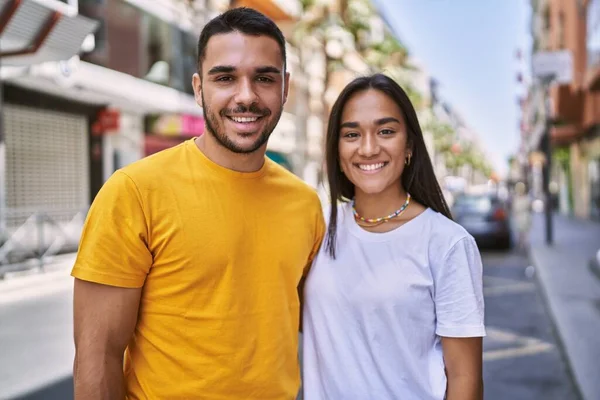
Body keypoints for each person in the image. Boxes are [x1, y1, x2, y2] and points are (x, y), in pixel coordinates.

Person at [72, 7, 325, 399]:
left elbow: (325, 324)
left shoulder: (305, 204)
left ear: (285, 88)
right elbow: (98, 356)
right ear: (198, 87)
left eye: (264, 78)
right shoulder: (135, 191)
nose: (246, 96)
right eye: (225, 78)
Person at [302, 74, 485, 400]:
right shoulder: (317, 226)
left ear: (410, 146)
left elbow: (464, 378)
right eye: (352, 134)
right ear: (337, 149)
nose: (368, 148)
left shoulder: (447, 243)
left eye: (386, 131)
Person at [512, 181, 532, 251]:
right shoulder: (516, 198)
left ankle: (524, 245)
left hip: (524, 217)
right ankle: (520, 244)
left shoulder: (526, 198)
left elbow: (529, 207)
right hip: (519, 217)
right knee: (520, 233)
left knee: (524, 233)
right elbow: (514, 209)